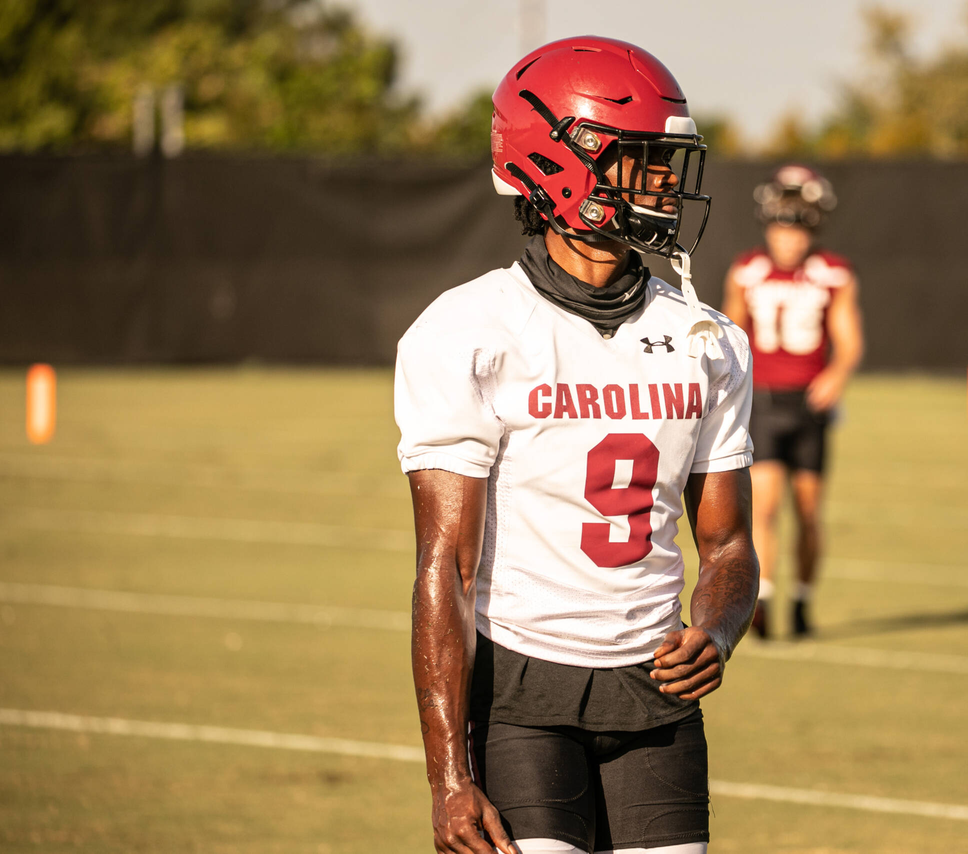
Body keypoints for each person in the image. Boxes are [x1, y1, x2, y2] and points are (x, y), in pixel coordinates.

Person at [394, 36, 759, 854]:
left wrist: (719, 628)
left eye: (669, 161)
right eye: (642, 160)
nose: (666, 182)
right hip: (523, 685)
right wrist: (448, 777)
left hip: (656, 692)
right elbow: (444, 566)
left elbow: (729, 542)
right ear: (563, 164)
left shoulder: (708, 337)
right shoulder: (470, 331)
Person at [721, 165, 863, 639]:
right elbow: (731, 334)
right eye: (782, 223)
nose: (789, 235)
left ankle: (802, 600)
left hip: (809, 406)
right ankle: (761, 602)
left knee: (807, 512)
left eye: (799, 224)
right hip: (763, 401)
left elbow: (849, 340)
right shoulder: (747, 271)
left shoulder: (833, 274)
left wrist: (837, 373)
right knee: (763, 508)